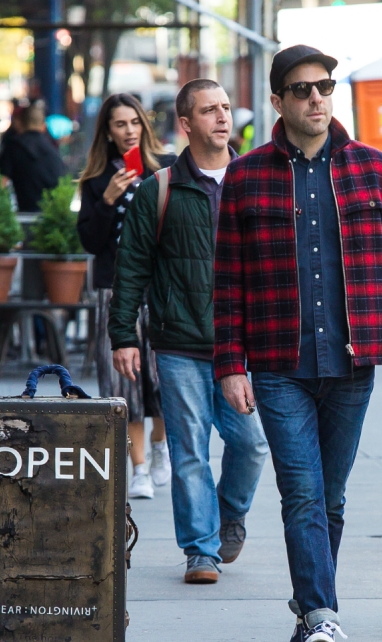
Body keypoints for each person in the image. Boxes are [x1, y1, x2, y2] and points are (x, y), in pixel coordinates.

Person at [214, 45, 382, 642]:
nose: (317, 98)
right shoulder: (248, 176)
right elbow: (227, 283)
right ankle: (321, 616)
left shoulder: (371, 169)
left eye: (325, 87)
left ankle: (309, 615)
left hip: (354, 362)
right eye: (303, 89)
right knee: (302, 495)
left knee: (331, 499)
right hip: (279, 363)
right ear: (278, 102)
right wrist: (230, 363)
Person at [110, 79, 269, 583]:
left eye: (225, 108)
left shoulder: (257, 182)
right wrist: (123, 336)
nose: (222, 117)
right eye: (209, 110)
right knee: (189, 453)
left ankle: (230, 516)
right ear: (185, 123)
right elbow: (131, 266)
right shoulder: (159, 189)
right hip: (180, 344)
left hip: (242, 348)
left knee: (250, 444)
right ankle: (200, 550)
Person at [77, 93, 174, 499]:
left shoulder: (166, 168)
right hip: (114, 288)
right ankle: (139, 470)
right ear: (108, 131)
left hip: (163, 285)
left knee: (165, 375)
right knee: (124, 380)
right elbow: (89, 240)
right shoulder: (97, 180)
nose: (129, 130)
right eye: (120, 124)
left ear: (144, 125)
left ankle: (159, 445)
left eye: (134, 122)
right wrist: (107, 200)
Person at [0, 102, 65, 211]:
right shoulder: (53, 149)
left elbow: (0, 183)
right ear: (43, 125)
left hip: (24, 214)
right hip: (50, 215)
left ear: (19, 123)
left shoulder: (13, 146)